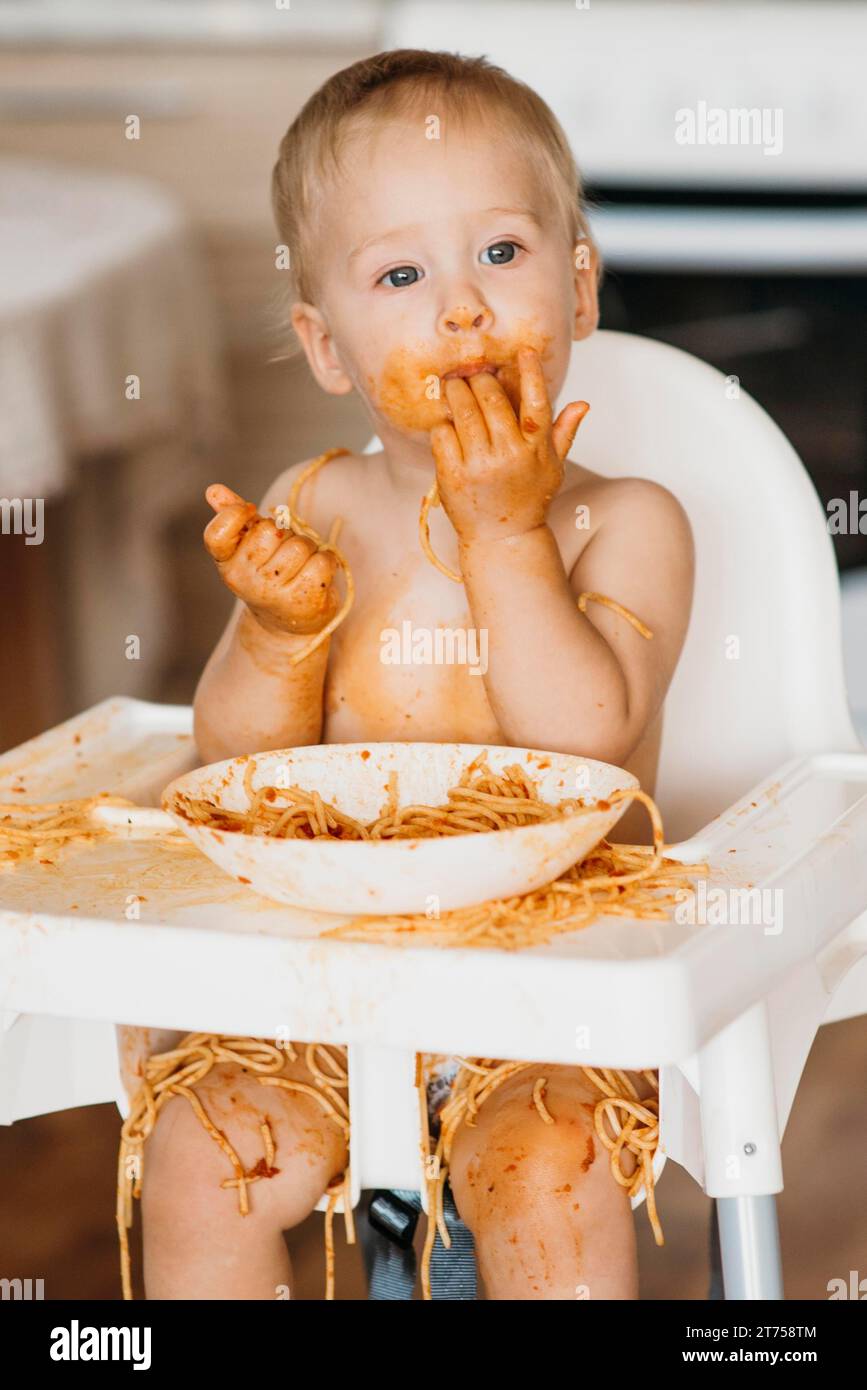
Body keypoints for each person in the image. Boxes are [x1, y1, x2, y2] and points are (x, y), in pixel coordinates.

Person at [132, 48, 694, 1300]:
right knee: (197, 1156)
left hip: (550, 1002)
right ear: (328, 348)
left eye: (502, 253)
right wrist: (280, 638)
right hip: (327, 985)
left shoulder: (629, 524)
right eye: (402, 273)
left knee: (552, 1173)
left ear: (581, 285)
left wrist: (507, 535)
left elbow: (589, 743)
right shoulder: (315, 506)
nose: (462, 308)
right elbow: (236, 763)